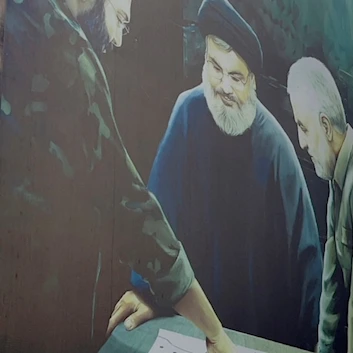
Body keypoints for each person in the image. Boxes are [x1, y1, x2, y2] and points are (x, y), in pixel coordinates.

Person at [0, 0, 233, 352]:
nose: (119, 41)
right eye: (120, 20)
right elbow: (130, 208)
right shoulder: (65, 53)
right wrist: (215, 333)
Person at [116, 0, 324, 350]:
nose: (224, 86)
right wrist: (147, 292)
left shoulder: (276, 149)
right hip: (187, 327)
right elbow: (157, 218)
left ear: (253, 82)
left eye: (236, 76)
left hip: (257, 337)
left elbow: (308, 270)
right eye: (215, 67)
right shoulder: (187, 113)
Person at [286, 57, 353, 353]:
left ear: (325, 127)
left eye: (303, 128)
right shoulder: (337, 180)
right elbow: (331, 282)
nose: (301, 143)